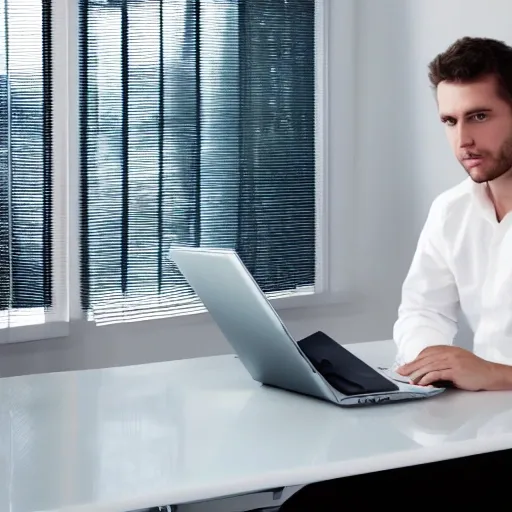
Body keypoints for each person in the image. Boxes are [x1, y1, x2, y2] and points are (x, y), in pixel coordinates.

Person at [279, 36, 512, 511]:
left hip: (497, 429)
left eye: (479, 116)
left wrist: (496, 373)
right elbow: (421, 308)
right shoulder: (451, 211)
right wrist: (431, 359)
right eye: (449, 121)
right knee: (313, 501)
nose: (462, 140)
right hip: (482, 425)